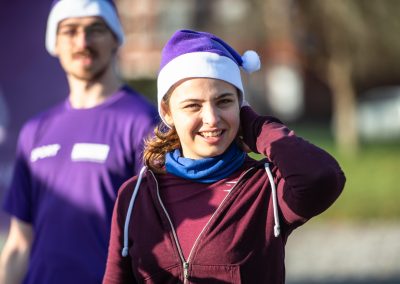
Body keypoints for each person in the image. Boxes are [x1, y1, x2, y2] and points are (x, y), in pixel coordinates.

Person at [102, 29, 346, 284]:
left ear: (241, 105)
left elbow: (323, 177)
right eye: (193, 105)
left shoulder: (266, 186)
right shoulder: (135, 196)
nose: (211, 118)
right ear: (167, 112)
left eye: (224, 101)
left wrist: (256, 128)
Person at [0, 0, 158, 283]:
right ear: (54, 44)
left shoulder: (145, 124)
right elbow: (19, 243)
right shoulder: (35, 131)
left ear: (115, 39)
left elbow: (159, 239)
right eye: (70, 31)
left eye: (95, 29)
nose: (82, 41)